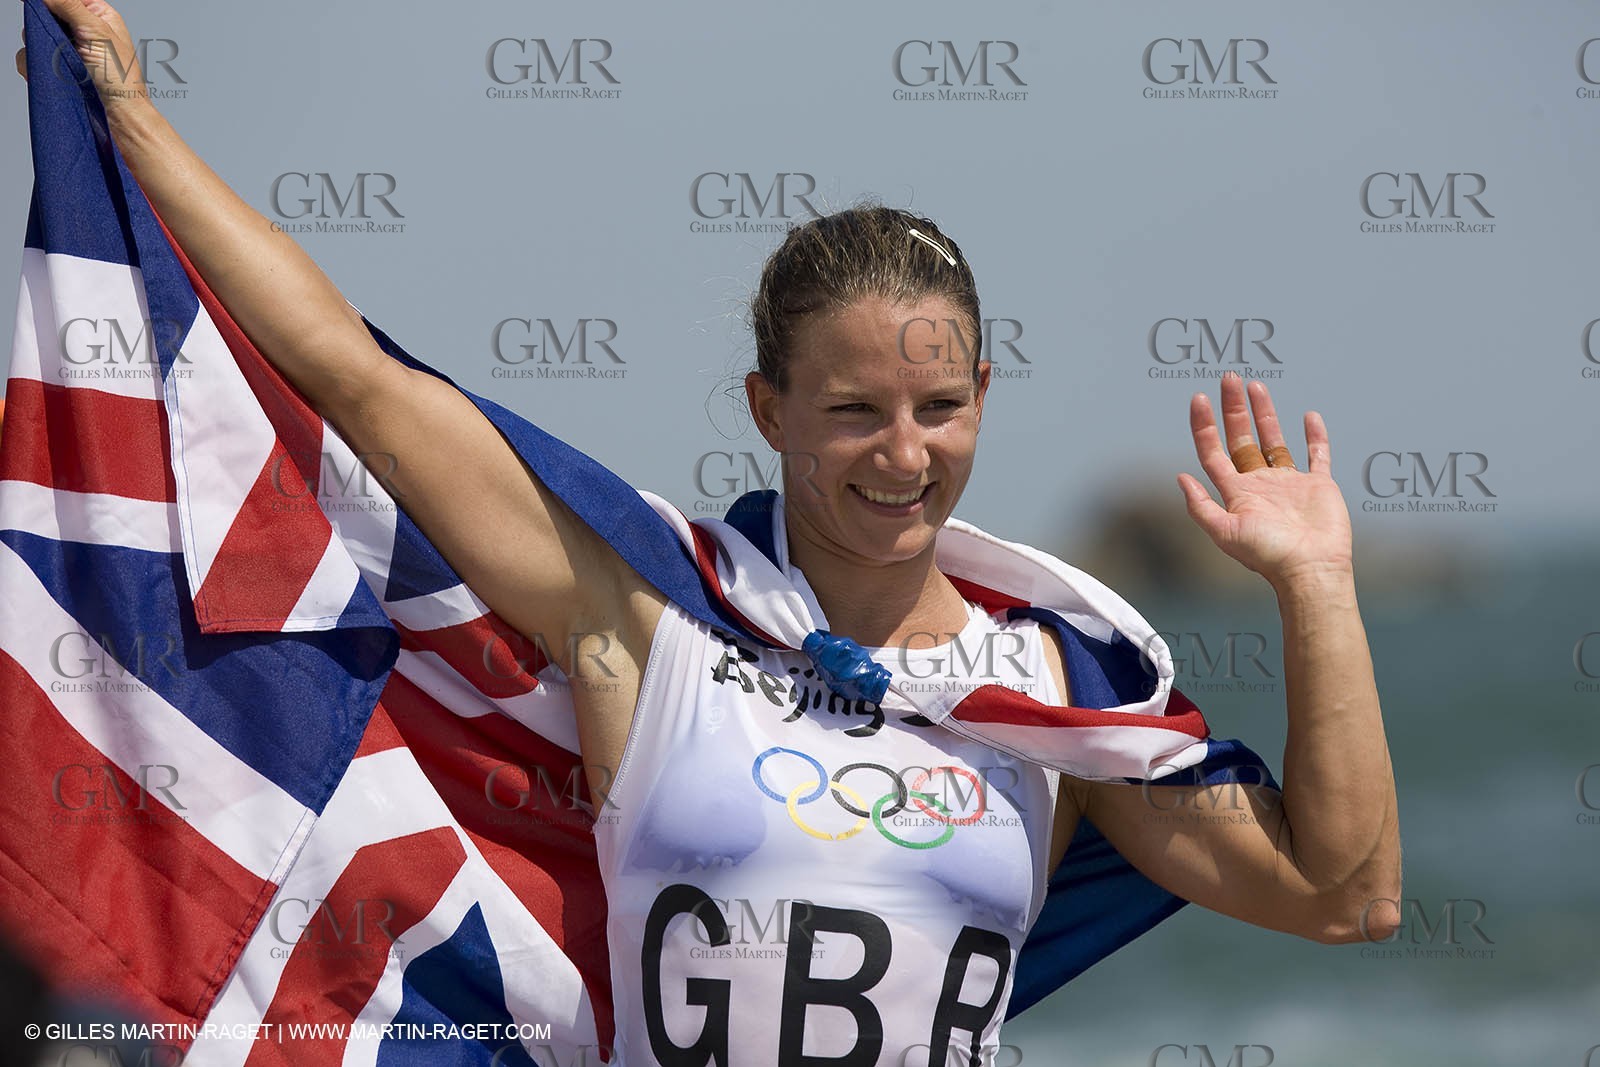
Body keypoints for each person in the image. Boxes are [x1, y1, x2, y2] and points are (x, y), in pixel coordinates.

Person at [15, 1, 1401, 1062]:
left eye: (938, 407)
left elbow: (1344, 895)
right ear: (767, 409)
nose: (903, 454)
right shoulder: (654, 623)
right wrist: (128, 116)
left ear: (983, 396)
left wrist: (1317, 583)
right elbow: (355, 377)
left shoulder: (1053, 700)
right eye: (852, 411)